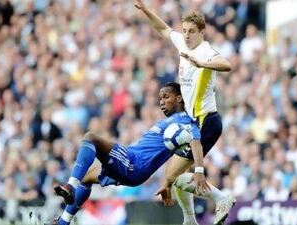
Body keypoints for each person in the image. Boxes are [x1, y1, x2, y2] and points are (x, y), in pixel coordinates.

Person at [47, 82, 210, 225]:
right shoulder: (167, 121)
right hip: (132, 162)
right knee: (85, 177)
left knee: (90, 138)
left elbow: (196, 143)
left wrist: (199, 171)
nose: (161, 102)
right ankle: (63, 222)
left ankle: (70, 187)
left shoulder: (187, 122)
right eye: (160, 99)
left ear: (179, 98)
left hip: (134, 163)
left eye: (166, 97)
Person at [134, 1, 235, 224]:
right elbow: (163, 29)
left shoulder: (205, 51)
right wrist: (146, 10)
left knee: (171, 176)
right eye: (185, 31)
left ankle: (221, 199)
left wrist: (202, 63)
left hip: (206, 120)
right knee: (175, 176)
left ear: (201, 32)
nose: (187, 35)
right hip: (192, 122)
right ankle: (189, 220)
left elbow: (227, 64)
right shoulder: (182, 43)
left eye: (192, 32)